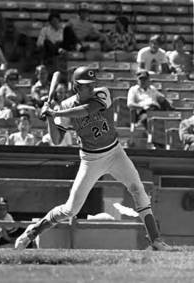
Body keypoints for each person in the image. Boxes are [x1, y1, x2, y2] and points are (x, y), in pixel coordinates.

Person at [15, 66, 172, 251]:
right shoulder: (66, 106)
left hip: (115, 153)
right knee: (70, 209)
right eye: (85, 86)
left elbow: (88, 110)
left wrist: (55, 113)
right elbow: (56, 140)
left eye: (91, 85)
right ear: (76, 87)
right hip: (91, 160)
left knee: (138, 190)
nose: (90, 89)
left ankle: (155, 240)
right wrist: (49, 117)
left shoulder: (102, 93)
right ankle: (32, 232)